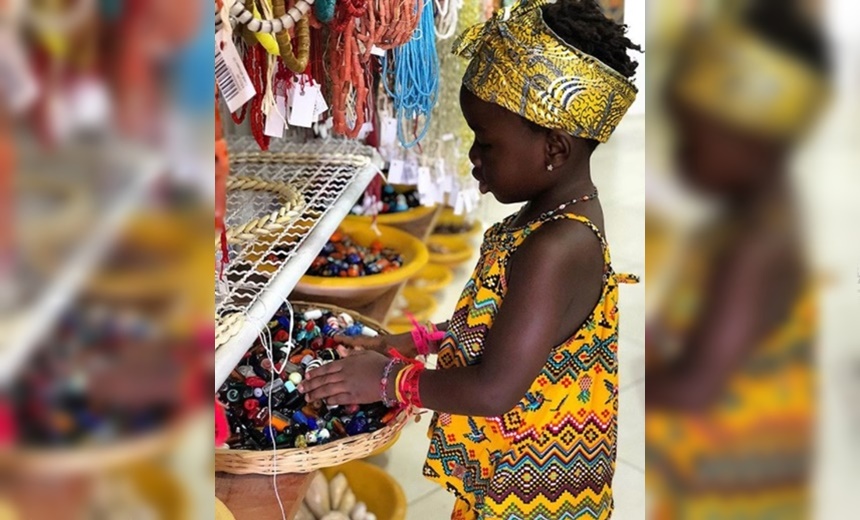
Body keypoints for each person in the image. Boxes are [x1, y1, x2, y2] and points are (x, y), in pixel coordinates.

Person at [300, 0, 640, 518]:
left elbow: (494, 389)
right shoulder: (542, 224)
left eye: (486, 142)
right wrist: (408, 342)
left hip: (532, 501)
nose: (473, 157)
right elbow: (503, 327)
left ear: (553, 148)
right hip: (506, 479)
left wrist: (387, 381)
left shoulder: (555, 249)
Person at [644, 1, 831, 518]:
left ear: (755, 140)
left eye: (692, 135)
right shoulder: (757, 213)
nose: (679, 154)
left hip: (728, 485)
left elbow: (695, 387)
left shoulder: (754, 245)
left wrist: (608, 380)